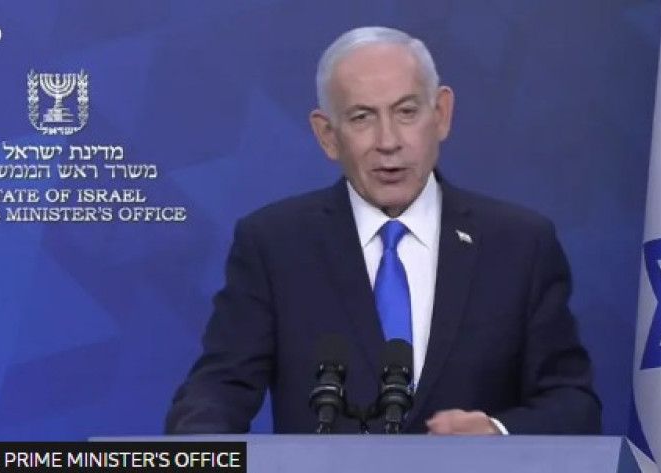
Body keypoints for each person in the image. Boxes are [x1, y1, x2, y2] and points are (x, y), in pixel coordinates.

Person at [165, 26, 601, 435]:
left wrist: (499, 433)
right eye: (362, 117)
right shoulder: (275, 244)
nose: (388, 141)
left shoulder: (519, 243)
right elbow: (219, 387)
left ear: (441, 114)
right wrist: (193, 454)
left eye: (406, 112)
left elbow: (573, 402)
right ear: (327, 135)